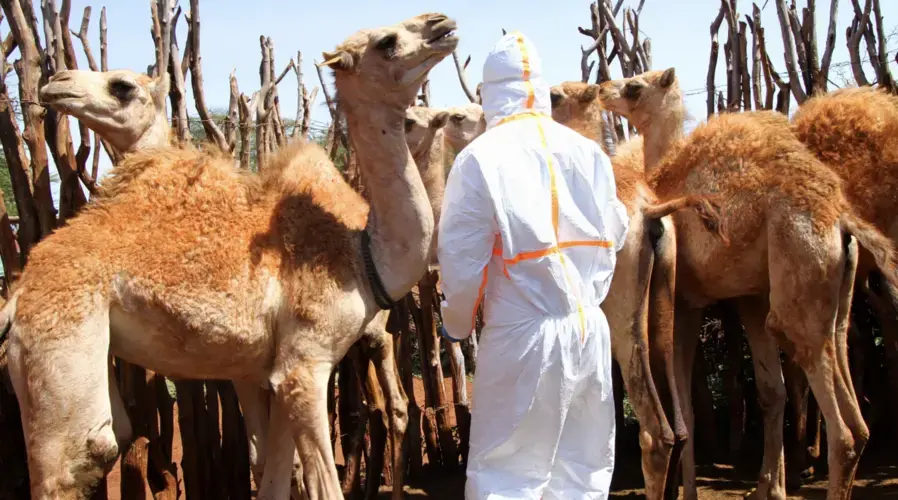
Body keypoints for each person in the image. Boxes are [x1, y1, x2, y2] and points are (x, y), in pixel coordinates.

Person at [436, 31, 630, 499]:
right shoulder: (588, 153)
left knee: (507, 476)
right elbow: (617, 230)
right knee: (580, 473)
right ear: (539, 88)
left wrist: (456, 324)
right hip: (589, 332)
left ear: (488, 94)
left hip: (523, 337)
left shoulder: (479, 159)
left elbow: (461, 264)